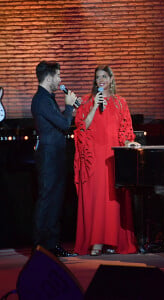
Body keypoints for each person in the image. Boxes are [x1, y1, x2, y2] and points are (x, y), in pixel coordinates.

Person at [74, 65, 139, 256]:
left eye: (104, 76)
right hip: (94, 159)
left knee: (112, 201)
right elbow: (81, 127)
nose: (100, 80)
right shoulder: (86, 101)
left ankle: (113, 241)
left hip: (111, 157)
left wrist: (129, 143)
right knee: (96, 201)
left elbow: (124, 131)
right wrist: (95, 106)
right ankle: (96, 242)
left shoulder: (120, 102)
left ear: (111, 79)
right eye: (97, 77)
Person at [31, 60, 78, 257]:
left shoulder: (47, 98)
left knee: (56, 200)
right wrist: (68, 108)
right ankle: (40, 247)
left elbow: (62, 123)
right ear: (49, 77)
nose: (60, 80)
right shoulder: (41, 100)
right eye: (58, 76)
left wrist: (72, 109)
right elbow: (64, 124)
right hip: (49, 156)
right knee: (48, 199)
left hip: (56, 155)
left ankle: (52, 244)